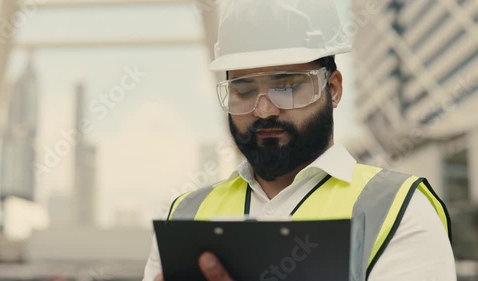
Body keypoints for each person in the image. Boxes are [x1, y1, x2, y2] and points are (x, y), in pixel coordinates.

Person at [144, 0, 456, 280]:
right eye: (244, 90)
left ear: (332, 89)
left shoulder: (400, 210)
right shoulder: (184, 216)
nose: (264, 110)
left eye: (287, 86)